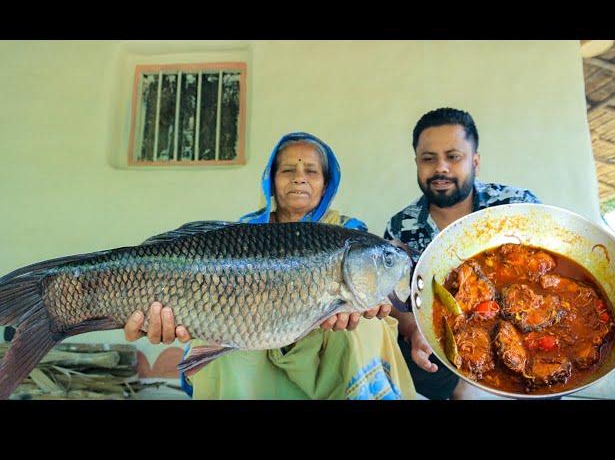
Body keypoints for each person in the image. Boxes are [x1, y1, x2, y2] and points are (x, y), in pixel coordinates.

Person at [124, 132, 417, 400]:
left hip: (325, 349)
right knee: (226, 339)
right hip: (255, 333)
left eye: (311, 171)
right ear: (271, 180)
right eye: (288, 170)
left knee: (365, 326)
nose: (299, 178)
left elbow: (379, 302)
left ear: (326, 184)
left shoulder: (350, 233)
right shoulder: (246, 231)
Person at [384, 107, 541, 400]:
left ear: (475, 161)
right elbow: (394, 299)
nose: (440, 168)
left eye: (453, 157)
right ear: (417, 163)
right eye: (428, 159)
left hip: (525, 334)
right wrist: (412, 331)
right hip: (442, 347)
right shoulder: (400, 227)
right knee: (410, 358)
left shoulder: (516, 204)